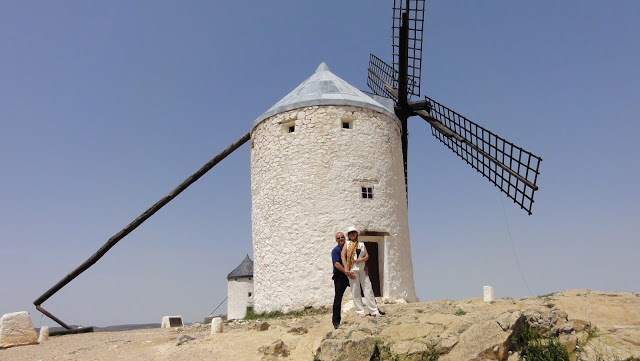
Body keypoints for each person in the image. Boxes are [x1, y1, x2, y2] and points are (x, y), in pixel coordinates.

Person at [341, 226, 383, 317]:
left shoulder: (362, 244)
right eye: (350, 233)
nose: (352, 234)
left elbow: (367, 256)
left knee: (368, 288)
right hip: (352, 269)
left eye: (353, 232)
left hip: (362, 268)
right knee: (355, 289)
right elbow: (343, 255)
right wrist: (346, 268)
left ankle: (374, 311)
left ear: (356, 234)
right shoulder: (347, 243)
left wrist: (361, 260)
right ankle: (360, 311)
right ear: (348, 235)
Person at [331, 231, 354, 329]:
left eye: (342, 237)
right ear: (336, 240)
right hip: (340, 276)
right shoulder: (335, 250)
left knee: (363, 289)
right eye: (338, 238)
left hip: (349, 274)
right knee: (338, 298)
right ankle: (336, 322)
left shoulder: (349, 248)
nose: (341, 239)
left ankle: (373, 310)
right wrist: (346, 272)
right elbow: (336, 263)